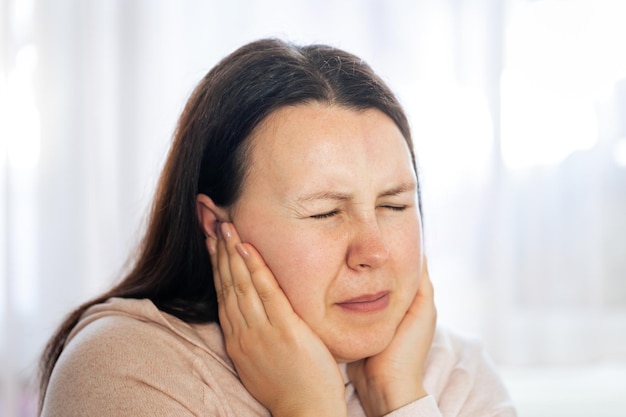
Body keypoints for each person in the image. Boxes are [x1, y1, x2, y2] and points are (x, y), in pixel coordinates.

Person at [38, 38, 517, 417]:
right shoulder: (126, 369)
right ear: (216, 228)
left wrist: (400, 400)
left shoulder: (456, 375)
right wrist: (307, 408)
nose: (375, 252)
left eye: (393, 205)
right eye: (325, 212)